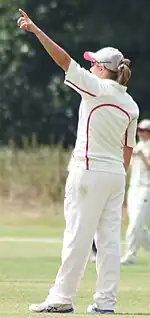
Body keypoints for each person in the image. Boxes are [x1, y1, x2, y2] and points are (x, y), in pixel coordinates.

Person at [17, 9, 139, 314]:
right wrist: (117, 177)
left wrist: (35, 30)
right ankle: (105, 303)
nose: (89, 65)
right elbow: (127, 149)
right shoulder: (131, 103)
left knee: (77, 236)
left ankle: (61, 298)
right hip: (115, 176)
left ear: (101, 68)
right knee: (109, 242)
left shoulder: (96, 89)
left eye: (93, 63)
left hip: (89, 171)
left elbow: (63, 60)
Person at [121, 119, 150, 265]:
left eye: (144, 131)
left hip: (146, 188)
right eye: (139, 130)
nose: (141, 133)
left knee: (135, 223)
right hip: (133, 188)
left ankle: (130, 254)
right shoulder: (138, 145)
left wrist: (143, 157)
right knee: (135, 223)